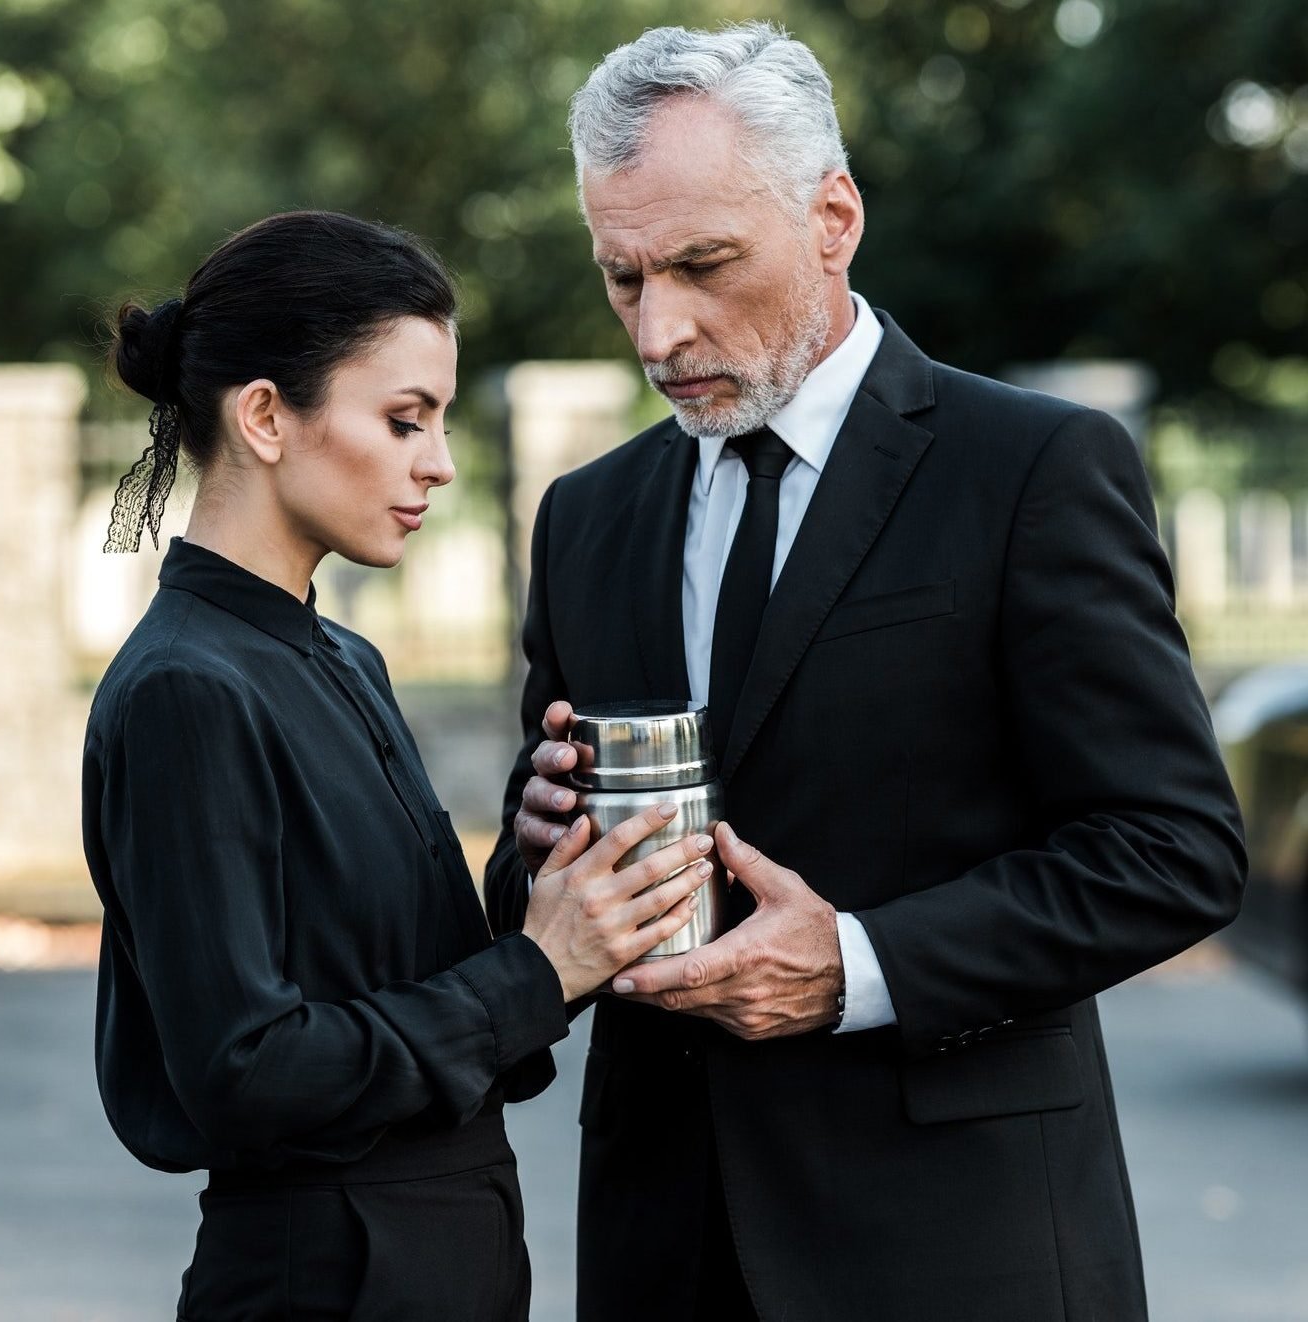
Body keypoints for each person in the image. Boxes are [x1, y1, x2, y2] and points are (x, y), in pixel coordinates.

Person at [482, 24, 1246, 1322]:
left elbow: (1173, 848)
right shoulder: (585, 517)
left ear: (833, 216)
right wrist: (539, 853)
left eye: (704, 264)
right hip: (663, 1246)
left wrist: (857, 962)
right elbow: (529, 882)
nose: (660, 331)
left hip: (962, 1249)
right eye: (624, 279)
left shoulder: (1032, 472)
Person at [81, 210, 713, 1321]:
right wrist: (538, 969)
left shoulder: (338, 654)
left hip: (442, 1256)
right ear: (267, 416)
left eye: (441, 421)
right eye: (404, 419)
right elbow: (246, 1070)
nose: (442, 462)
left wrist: (540, 869)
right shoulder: (188, 689)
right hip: (325, 1276)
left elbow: (403, 986)